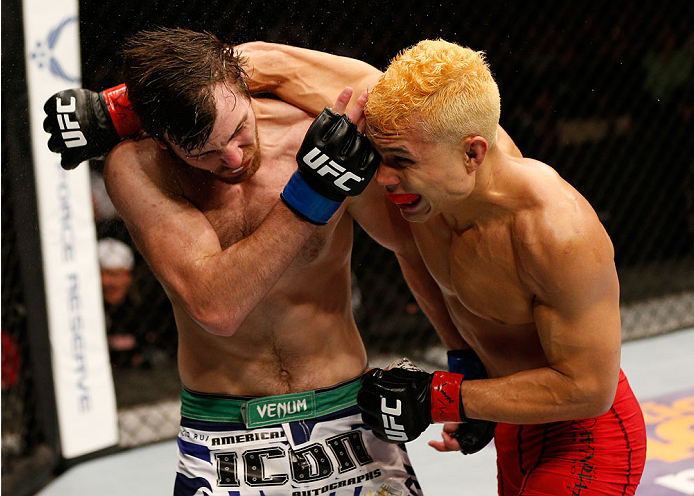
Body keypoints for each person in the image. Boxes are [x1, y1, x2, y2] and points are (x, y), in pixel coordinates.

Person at [43, 28, 447, 496]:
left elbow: (413, 245)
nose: (232, 157)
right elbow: (217, 307)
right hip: (226, 438)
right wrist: (313, 191)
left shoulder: (310, 130)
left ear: (243, 84)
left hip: (349, 416)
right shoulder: (139, 167)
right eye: (204, 153)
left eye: (238, 130)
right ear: (162, 139)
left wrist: (462, 360)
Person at [354, 40, 647, 495]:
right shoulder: (439, 172)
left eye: (400, 162)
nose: (384, 178)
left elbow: (589, 389)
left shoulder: (555, 231)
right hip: (517, 420)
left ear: (473, 154)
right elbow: (341, 75)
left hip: (584, 436)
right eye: (381, 158)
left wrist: (442, 396)